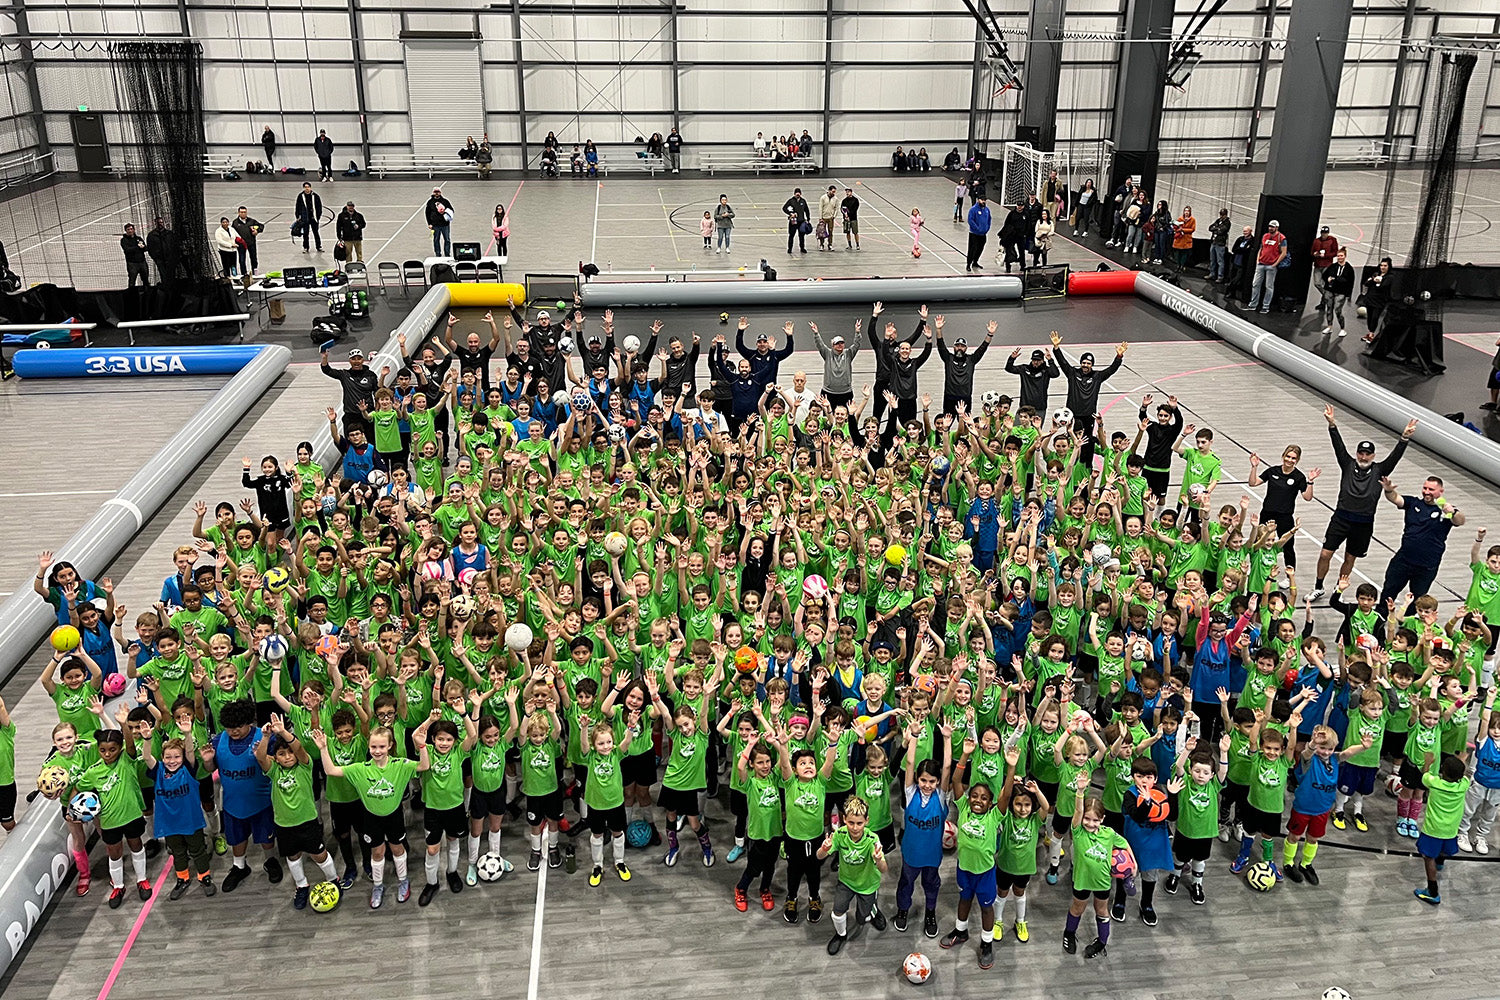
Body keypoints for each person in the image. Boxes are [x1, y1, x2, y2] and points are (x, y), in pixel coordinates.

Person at [1308, 404, 1416, 600]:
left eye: (1367, 454)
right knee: (1325, 554)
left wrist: (1404, 438)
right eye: (1361, 453)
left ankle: (1339, 589)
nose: (1363, 457)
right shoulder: (1348, 464)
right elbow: (1338, 446)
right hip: (1341, 518)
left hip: (1364, 523)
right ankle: (1319, 586)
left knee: (1350, 558)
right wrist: (1332, 424)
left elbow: (1395, 456)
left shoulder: (1380, 470)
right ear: (1357, 453)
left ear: (1373, 456)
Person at [1378, 475, 1464, 609]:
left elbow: (1460, 521)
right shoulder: (1413, 503)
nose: (1427, 492)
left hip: (1426, 566)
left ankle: (1408, 624)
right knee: (1388, 592)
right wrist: (1388, 490)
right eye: (1425, 488)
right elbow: (1396, 498)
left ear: (1441, 491)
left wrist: (1452, 513)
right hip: (1403, 560)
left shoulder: (1445, 511)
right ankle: (1379, 619)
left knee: (1418, 599)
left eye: (1431, 489)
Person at [1051, 331, 1128, 470]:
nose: (1086, 365)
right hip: (1073, 415)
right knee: (1071, 439)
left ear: (1092, 364)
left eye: (1088, 363)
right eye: (1084, 362)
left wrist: (1119, 356)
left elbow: (1111, 370)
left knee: (1088, 441)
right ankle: (1070, 465)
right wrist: (1056, 348)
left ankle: (1087, 465)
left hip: (1088, 415)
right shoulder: (1073, 373)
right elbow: (1062, 362)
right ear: (1080, 363)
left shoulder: (1098, 376)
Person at [935, 315, 994, 415]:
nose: (959, 348)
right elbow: (940, 344)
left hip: (965, 397)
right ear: (954, 347)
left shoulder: (971, 360)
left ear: (966, 348)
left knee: (966, 427)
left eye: (962, 346)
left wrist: (990, 334)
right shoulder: (948, 358)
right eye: (957, 345)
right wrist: (938, 329)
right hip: (949, 397)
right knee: (946, 424)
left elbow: (982, 348)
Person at [322, 346, 381, 440]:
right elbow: (327, 370)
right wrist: (324, 357)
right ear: (349, 361)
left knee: (372, 442)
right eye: (353, 359)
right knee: (350, 445)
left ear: (363, 360)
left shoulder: (371, 375)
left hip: (367, 415)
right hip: (351, 416)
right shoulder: (345, 375)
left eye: (359, 358)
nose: (356, 361)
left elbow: (378, 393)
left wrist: (377, 411)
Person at [809, 319, 859, 410]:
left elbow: (856, 344)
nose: (840, 345)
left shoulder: (849, 353)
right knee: (828, 417)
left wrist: (857, 332)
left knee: (845, 417)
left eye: (842, 343)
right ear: (833, 345)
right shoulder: (827, 353)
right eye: (837, 343)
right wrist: (816, 333)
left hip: (846, 392)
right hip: (828, 393)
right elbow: (820, 345)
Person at [1246, 219, 1288, 314]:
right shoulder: (1265, 236)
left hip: (1271, 266)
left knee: (1268, 287)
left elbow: (1284, 253)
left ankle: (1265, 306)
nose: (1270, 228)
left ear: (1276, 228)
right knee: (1255, 284)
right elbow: (1261, 248)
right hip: (1261, 264)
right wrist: (1258, 260)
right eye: (1270, 226)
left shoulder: (1281, 238)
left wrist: (1275, 264)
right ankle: (1253, 304)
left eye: (1272, 227)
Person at [1006, 347, 1059, 413]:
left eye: (1038, 360)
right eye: (1034, 360)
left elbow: (1056, 374)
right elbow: (1008, 368)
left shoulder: (1046, 371)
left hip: (1039, 408)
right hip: (1024, 407)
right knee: (1019, 423)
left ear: (1042, 360)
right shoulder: (1024, 369)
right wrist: (1012, 358)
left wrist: (1050, 360)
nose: (1036, 362)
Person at [1319, 247, 1355, 338]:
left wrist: (1348, 295)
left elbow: (1350, 282)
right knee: (1329, 309)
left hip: (1341, 292)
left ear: (1345, 256)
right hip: (1330, 290)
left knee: (1337, 310)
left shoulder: (1349, 269)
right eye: (1338, 256)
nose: (1340, 257)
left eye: (1341, 256)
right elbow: (1324, 275)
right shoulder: (1332, 266)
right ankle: (1329, 326)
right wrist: (1327, 280)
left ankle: (1342, 328)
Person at [1361, 257, 1393, 344]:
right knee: (1370, 318)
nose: (1382, 267)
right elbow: (1367, 283)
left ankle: (1371, 335)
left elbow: (1383, 286)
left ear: (1389, 267)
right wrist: (1373, 280)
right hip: (1370, 299)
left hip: (1379, 301)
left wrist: (1377, 282)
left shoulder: (1390, 277)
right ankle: (1370, 333)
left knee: (1375, 317)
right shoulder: (1376, 274)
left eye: (1385, 266)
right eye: (1381, 265)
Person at [293, 182, 324, 254]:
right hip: (305, 218)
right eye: (305, 187)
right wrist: (297, 216)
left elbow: (319, 207)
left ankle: (318, 246)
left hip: (314, 218)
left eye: (308, 187)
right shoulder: (301, 196)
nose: (307, 188)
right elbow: (298, 206)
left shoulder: (315, 196)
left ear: (310, 187)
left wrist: (318, 216)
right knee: (305, 233)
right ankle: (306, 247)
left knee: (316, 233)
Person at [146, 217, 178, 283]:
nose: (160, 224)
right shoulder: (151, 235)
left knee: (172, 276)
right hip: (160, 260)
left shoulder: (169, 234)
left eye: (161, 222)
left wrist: (173, 256)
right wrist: (156, 258)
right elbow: (150, 248)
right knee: (163, 276)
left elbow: (174, 245)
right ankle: (166, 291)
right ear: (155, 223)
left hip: (170, 259)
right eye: (158, 223)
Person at [232, 206, 263, 276]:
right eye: (241, 212)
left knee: (254, 258)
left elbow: (261, 226)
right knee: (242, 260)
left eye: (244, 212)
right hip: (241, 244)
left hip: (251, 243)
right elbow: (232, 233)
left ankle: (255, 273)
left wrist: (257, 231)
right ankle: (244, 274)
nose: (243, 214)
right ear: (238, 213)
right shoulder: (235, 223)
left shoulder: (251, 221)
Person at [965, 196, 991, 272]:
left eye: (984, 200)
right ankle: (968, 264)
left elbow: (989, 220)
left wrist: (987, 228)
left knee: (980, 249)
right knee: (972, 249)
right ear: (978, 200)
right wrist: (977, 228)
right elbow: (970, 220)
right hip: (974, 234)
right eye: (982, 200)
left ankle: (975, 262)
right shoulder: (973, 210)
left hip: (983, 234)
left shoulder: (986, 210)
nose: (983, 202)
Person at [998, 202, 1026, 273]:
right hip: (1011, 236)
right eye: (1018, 205)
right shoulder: (1011, 214)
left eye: (1021, 206)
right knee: (1008, 251)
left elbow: (1028, 224)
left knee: (1022, 251)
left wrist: (1025, 233)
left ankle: (1023, 265)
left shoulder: (1026, 214)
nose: (1019, 207)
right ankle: (1008, 266)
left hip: (1021, 236)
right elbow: (1006, 224)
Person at [426, 188, 454, 256]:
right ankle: (438, 254)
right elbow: (427, 213)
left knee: (447, 239)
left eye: (438, 192)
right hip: (435, 225)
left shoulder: (445, 201)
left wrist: (445, 211)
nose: (436, 193)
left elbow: (451, 210)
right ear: (433, 192)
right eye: (435, 192)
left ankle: (447, 254)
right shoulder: (430, 202)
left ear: (440, 192)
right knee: (436, 240)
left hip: (445, 224)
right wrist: (429, 223)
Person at [120, 224, 149, 288]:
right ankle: (131, 295)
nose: (130, 231)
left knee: (145, 280)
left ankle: (147, 294)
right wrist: (138, 247)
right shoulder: (124, 240)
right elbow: (127, 250)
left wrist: (143, 247)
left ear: (134, 230)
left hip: (142, 262)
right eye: (128, 229)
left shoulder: (139, 238)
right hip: (132, 264)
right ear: (126, 231)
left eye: (131, 229)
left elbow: (145, 248)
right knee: (132, 281)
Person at [783, 187, 810, 255]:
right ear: (794, 194)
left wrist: (808, 218)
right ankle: (790, 248)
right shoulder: (791, 201)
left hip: (801, 221)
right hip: (793, 221)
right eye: (796, 193)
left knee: (801, 236)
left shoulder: (803, 201)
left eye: (799, 193)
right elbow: (784, 208)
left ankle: (802, 248)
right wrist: (790, 213)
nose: (798, 194)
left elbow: (806, 210)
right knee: (791, 235)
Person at [1206, 209, 1231, 282]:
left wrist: (1216, 228)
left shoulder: (1227, 222)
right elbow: (1210, 228)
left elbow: (1222, 231)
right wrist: (1217, 228)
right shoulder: (1218, 220)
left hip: (1220, 244)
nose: (1221, 216)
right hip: (1213, 242)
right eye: (1220, 214)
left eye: (1222, 215)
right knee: (1212, 260)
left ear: (1226, 215)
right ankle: (1212, 274)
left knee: (1220, 261)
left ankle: (1220, 276)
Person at [1172, 205, 1196, 269]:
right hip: (1179, 238)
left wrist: (1183, 230)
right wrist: (1177, 229)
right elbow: (1175, 228)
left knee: (1184, 253)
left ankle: (1182, 266)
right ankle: (1178, 265)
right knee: (1177, 253)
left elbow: (1192, 229)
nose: (1186, 212)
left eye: (1188, 211)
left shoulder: (1192, 220)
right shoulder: (1180, 219)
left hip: (1186, 239)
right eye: (1185, 211)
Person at [817, 186, 839, 251]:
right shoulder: (823, 198)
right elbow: (820, 208)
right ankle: (821, 245)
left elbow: (836, 208)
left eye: (834, 192)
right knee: (822, 232)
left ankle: (830, 244)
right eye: (832, 191)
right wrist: (820, 217)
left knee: (830, 232)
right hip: (823, 218)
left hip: (830, 218)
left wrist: (834, 216)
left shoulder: (836, 199)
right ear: (829, 191)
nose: (833, 193)